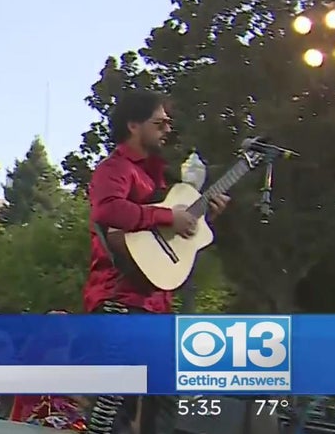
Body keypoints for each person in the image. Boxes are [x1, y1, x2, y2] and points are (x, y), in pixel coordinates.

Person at [82, 90, 229, 434]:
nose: (167, 130)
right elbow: (107, 210)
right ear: (133, 125)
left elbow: (167, 239)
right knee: (114, 402)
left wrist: (204, 218)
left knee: (164, 395)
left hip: (156, 302)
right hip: (118, 296)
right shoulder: (114, 169)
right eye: (159, 123)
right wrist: (166, 216)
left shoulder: (158, 180)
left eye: (168, 123)